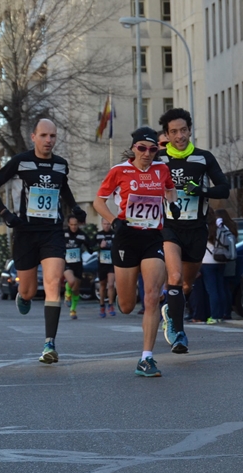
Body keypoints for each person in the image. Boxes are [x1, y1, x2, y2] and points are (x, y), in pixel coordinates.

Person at [0, 118, 85, 365]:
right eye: (43, 136)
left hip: (52, 231)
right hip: (26, 232)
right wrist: (5, 213)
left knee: (53, 282)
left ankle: (49, 344)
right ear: (33, 137)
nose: (49, 140)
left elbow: (64, 189)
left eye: (52, 136)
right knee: (28, 290)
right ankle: (24, 295)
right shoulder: (21, 162)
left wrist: (74, 208)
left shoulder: (61, 165)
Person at [93, 126, 180, 377]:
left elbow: (170, 189)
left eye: (153, 149)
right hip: (126, 238)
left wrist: (172, 205)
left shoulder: (162, 170)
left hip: (153, 237)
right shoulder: (119, 171)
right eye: (142, 148)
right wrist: (114, 220)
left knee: (152, 296)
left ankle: (146, 358)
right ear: (133, 148)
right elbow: (99, 201)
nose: (147, 153)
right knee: (127, 304)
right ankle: (126, 303)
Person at [157, 108, 230, 353]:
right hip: (170, 227)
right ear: (166, 134)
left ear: (190, 130)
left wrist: (201, 190)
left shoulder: (203, 158)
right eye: (174, 131)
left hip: (196, 229)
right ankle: (179, 334)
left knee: (186, 284)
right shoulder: (158, 159)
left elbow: (224, 188)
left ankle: (170, 307)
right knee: (174, 278)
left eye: (184, 130)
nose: (180, 136)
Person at [200, 209, 237, 324]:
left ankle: (215, 315)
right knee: (220, 288)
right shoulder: (220, 227)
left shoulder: (206, 228)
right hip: (221, 260)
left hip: (207, 261)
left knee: (212, 290)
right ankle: (222, 314)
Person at [63, 214, 92, 319]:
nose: (74, 227)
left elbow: (90, 247)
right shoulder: (64, 234)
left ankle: (73, 310)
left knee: (76, 289)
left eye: (75, 225)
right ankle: (67, 293)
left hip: (78, 264)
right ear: (68, 224)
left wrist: (93, 247)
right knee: (71, 281)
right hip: (67, 264)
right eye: (72, 225)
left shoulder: (82, 235)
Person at [95, 219, 116, 317]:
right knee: (102, 286)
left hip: (111, 263)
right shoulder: (98, 235)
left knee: (111, 284)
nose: (107, 226)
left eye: (108, 224)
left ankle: (111, 305)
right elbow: (91, 247)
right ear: (102, 224)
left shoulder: (115, 234)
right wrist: (99, 246)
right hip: (102, 264)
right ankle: (102, 305)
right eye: (105, 224)